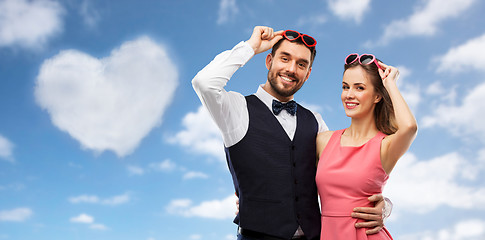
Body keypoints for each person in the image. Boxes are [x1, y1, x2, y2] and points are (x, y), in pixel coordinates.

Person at [192, 26, 389, 240]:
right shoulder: (236, 109)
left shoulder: (316, 121)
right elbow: (204, 83)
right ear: (269, 61)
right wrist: (251, 47)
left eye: (301, 64)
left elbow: (349, 174)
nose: (292, 69)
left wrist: (383, 206)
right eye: (285, 59)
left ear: (308, 74)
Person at [315, 54, 418, 239]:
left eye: (359, 88)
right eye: (345, 87)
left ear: (377, 96)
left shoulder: (385, 146)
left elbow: (409, 127)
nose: (349, 95)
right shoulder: (323, 141)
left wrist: (390, 83)